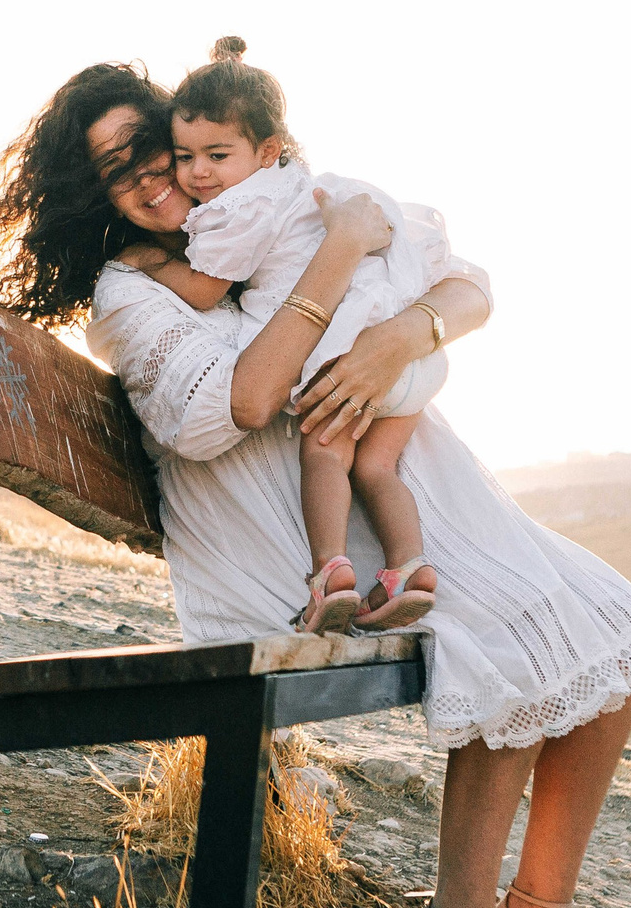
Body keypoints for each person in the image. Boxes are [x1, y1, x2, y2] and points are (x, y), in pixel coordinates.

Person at [0, 61, 631, 908]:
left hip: (393, 500)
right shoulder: (129, 295)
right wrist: (341, 254)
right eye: (117, 166)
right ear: (94, 193)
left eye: (160, 150)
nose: (151, 177)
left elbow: (467, 284)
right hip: (279, 547)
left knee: (612, 618)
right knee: (517, 629)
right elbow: (245, 405)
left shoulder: (271, 206)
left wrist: (399, 334)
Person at [118, 37, 446, 633]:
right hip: (406, 362)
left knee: (323, 455)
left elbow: (207, 290)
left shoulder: (239, 207)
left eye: (217, 155)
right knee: (376, 470)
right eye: (185, 155)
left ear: (267, 150)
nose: (198, 173)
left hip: (342, 353)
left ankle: (330, 576)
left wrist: (153, 264)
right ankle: (409, 570)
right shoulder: (301, 183)